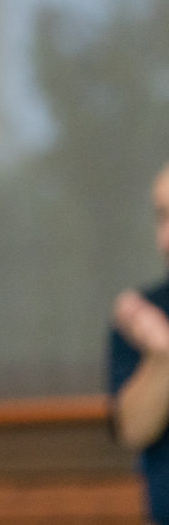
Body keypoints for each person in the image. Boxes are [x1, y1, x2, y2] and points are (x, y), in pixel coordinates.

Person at [109, 162, 169, 524]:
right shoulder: (139, 318)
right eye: (161, 217)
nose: (165, 239)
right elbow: (133, 430)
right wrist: (162, 355)